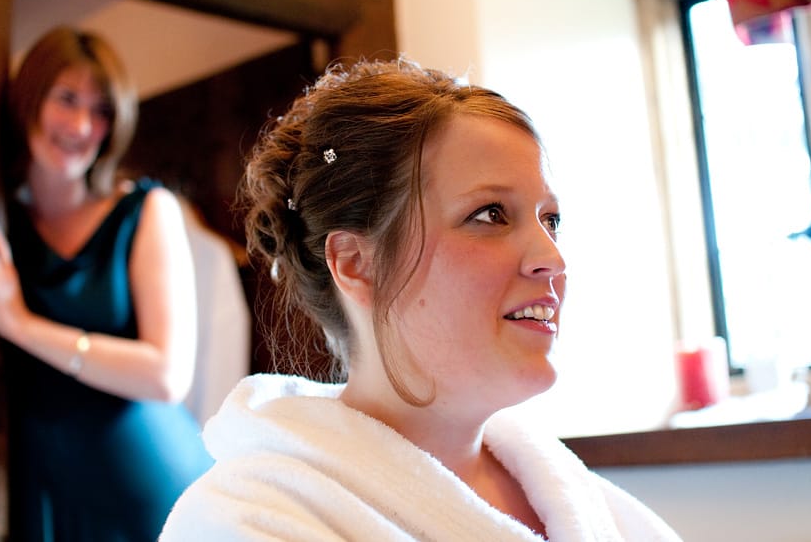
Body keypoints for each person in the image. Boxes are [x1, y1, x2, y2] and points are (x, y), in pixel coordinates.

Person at [160, 58, 682, 541]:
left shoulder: (598, 510)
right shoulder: (243, 521)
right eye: (490, 214)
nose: (552, 258)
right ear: (356, 264)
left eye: (551, 221)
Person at [0, 26, 212, 541]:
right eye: (67, 99)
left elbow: (167, 375)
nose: (81, 125)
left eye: (100, 111)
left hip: (149, 486)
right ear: (30, 99)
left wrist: (21, 324)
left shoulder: (144, 212)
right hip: (41, 491)